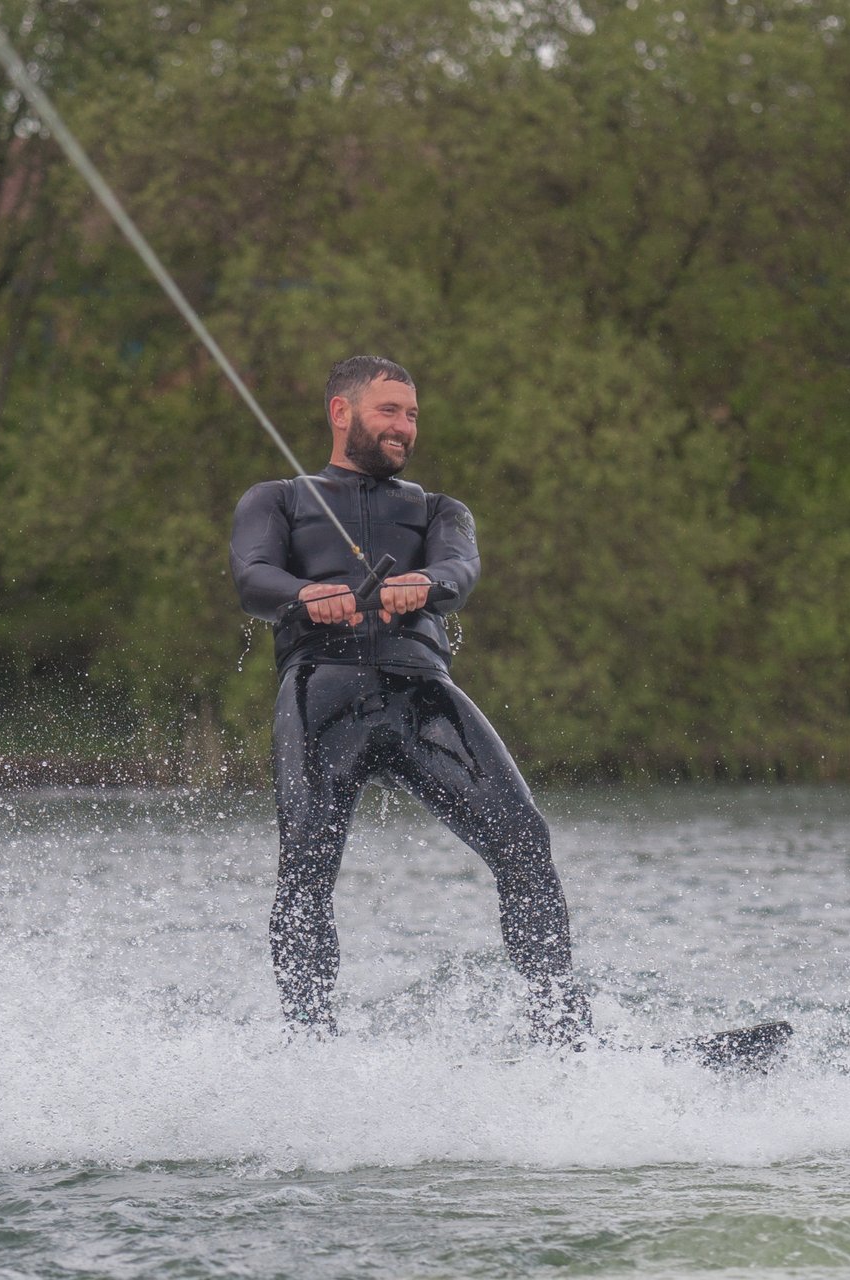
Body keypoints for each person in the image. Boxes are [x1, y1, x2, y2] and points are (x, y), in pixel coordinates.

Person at [229, 355, 591, 1046]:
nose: (405, 428)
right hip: (321, 691)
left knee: (525, 841)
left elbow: (461, 569)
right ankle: (310, 1043)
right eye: (390, 411)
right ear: (343, 413)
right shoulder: (276, 499)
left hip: (420, 694)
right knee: (306, 865)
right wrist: (306, 594)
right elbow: (253, 576)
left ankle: (563, 1034)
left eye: (414, 416)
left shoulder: (437, 511)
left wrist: (422, 584)